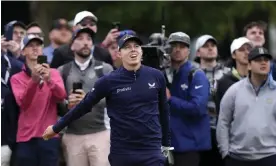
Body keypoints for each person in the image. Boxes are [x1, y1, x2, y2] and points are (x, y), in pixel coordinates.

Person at [42, 34, 171, 166]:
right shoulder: (109, 81)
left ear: (141, 51)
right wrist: (57, 128)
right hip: (122, 152)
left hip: (151, 150)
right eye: (127, 47)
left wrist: (166, 144)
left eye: (136, 46)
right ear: (119, 54)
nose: (133, 50)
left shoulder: (156, 76)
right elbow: (84, 106)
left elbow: (164, 111)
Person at [58, 27, 113, 166]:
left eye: (89, 39)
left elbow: (114, 100)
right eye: (80, 39)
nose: (86, 42)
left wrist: (89, 101)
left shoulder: (105, 69)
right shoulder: (63, 70)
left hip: (100, 133)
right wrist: (67, 104)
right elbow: (56, 103)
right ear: (72, 45)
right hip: (72, 135)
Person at [10, 34, 67, 166]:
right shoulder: (16, 78)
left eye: (38, 45)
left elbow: (61, 96)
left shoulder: (53, 73)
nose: (35, 49)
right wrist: (34, 81)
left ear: (43, 49)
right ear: (23, 51)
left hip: (49, 136)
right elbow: (23, 103)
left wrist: (49, 80)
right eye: (30, 46)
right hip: (25, 137)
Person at [217, 46, 276, 166]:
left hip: (269, 156)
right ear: (249, 65)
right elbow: (223, 121)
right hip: (237, 157)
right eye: (258, 59)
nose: (263, 62)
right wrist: (225, 152)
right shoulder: (234, 90)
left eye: (266, 59)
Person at [166, 32, 211, 166]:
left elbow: (197, 108)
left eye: (182, 46)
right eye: (174, 46)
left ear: (188, 51)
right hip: (169, 142)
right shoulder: (164, 73)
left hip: (189, 144)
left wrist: (170, 99)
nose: (178, 49)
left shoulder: (196, 74)